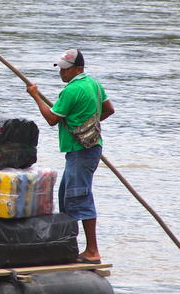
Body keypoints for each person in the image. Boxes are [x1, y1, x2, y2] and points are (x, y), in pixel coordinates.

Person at [25, 48, 115, 265]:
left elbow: (52, 119)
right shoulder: (94, 84)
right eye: (61, 69)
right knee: (67, 196)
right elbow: (109, 110)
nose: (61, 74)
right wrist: (89, 126)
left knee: (79, 197)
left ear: (78, 69)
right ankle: (70, 247)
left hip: (80, 151)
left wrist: (35, 96)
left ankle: (92, 251)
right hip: (89, 148)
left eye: (65, 70)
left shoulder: (72, 91)